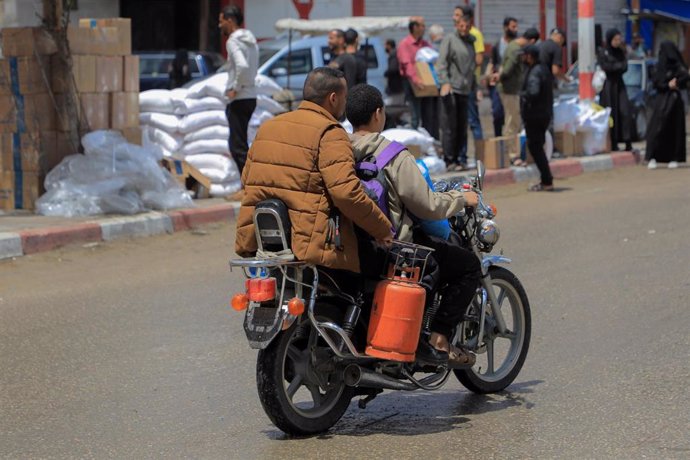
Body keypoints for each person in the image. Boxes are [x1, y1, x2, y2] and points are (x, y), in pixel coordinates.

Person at [346, 83, 481, 366]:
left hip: (356, 244)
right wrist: (461, 198)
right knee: (468, 265)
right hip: (393, 247)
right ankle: (439, 339)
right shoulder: (393, 154)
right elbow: (427, 205)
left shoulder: (340, 152)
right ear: (378, 114)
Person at [235, 67, 393, 275]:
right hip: (314, 247)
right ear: (333, 98)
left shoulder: (268, 127)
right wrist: (381, 229)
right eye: (344, 99)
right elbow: (346, 194)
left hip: (267, 243)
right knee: (384, 266)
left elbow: (247, 179)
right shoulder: (330, 133)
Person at [219, 4, 258, 189]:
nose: (220, 26)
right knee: (241, 143)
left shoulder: (233, 41)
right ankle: (248, 185)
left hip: (240, 97)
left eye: (221, 21)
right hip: (251, 96)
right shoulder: (251, 40)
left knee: (237, 145)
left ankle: (247, 188)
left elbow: (241, 66)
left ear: (230, 20)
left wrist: (235, 87)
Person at [437, 12, 476, 171]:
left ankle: (461, 158)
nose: (464, 28)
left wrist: (476, 88)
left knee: (462, 126)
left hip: (465, 90)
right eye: (461, 26)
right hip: (451, 89)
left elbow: (472, 68)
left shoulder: (470, 42)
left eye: (467, 26)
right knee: (449, 126)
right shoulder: (450, 39)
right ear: (456, 26)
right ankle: (450, 159)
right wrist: (445, 82)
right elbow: (441, 63)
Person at [645, 41, 689, 169]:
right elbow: (657, 83)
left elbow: (685, 77)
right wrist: (667, 85)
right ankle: (652, 157)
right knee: (657, 129)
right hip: (661, 101)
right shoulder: (659, 67)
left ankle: (674, 158)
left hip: (675, 101)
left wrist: (677, 82)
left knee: (674, 130)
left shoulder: (678, 66)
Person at [520, 45, 554, 191]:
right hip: (544, 114)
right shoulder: (544, 69)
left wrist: (522, 95)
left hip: (534, 115)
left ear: (530, 56)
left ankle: (547, 180)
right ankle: (546, 179)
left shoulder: (534, 72)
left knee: (535, 147)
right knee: (538, 146)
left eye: (525, 55)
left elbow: (533, 92)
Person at [495, 29, 536, 137]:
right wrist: (500, 76)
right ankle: (511, 151)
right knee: (513, 122)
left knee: (511, 120)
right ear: (532, 41)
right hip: (510, 90)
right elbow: (508, 68)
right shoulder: (516, 49)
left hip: (510, 89)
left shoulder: (512, 45)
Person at [598, 28, 632, 152]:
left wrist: (616, 67)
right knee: (611, 114)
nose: (618, 42)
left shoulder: (620, 52)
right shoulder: (604, 52)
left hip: (620, 85)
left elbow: (624, 66)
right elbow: (606, 67)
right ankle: (613, 142)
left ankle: (627, 141)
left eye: (619, 39)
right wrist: (616, 67)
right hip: (608, 86)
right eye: (615, 39)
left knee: (624, 111)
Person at [397, 16, 431, 130]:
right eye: (422, 25)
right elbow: (407, 65)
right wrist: (416, 80)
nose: (424, 28)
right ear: (415, 27)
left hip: (426, 82)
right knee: (414, 116)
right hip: (411, 83)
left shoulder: (425, 44)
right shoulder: (405, 44)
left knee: (428, 116)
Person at [486, 17, 518, 136]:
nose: (515, 30)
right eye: (513, 27)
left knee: (512, 116)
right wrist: (489, 76)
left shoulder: (517, 45)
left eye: (516, 27)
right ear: (505, 28)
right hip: (498, 85)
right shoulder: (497, 45)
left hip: (513, 86)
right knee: (497, 113)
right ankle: (498, 139)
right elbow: (492, 62)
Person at [461, 5, 485, 162]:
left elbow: (479, 59)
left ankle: (480, 156)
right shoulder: (459, 35)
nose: (454, 18)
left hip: (469, 84)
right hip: (462, 84)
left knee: (473, 121)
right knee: (462, 122)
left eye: (457, 15)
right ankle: (464, 156)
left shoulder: (474, 34)